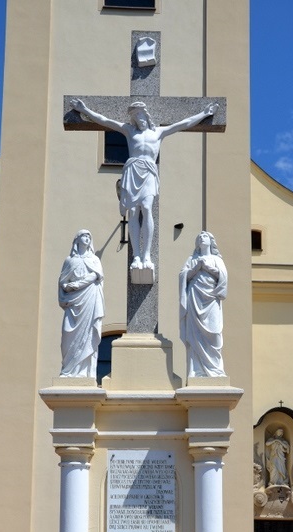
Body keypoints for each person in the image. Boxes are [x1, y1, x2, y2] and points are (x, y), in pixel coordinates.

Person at [69, 98, 218, 274]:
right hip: (133, 171)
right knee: (133, 212)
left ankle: (146, 255)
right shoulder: (129, 130)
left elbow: (184, 123)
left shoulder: (159, 132)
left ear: (146, 116)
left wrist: (204, 114)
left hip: (148, 172)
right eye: (135, 116)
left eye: (140, 115)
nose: (138, 119)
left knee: (147, 208)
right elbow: (105, 121)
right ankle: (136, 255)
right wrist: (84, 110)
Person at [179, 231, 227, 377]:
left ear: (211, 241)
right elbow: (183, 276)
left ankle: (216, 370)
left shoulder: (216, 259)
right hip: (195, 296)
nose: (201, 238)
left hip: (212, 298)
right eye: (199, 237)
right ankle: (196, 370)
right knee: (195, 334)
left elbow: (223, 276)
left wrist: (207, 268)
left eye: (205, 236)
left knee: (214, 332)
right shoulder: (192, 259)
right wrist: (196, 268)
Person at [58, 230, 104, 378]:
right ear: (77, 239)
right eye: (84, 235)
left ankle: (84, 372)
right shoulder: (69, 261)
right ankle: (68, 370)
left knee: (88, 333)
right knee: (67, 335)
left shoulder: (94, 260)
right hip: (72, 303)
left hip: (89, 300)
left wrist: (77, 284)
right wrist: (67, 287)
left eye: (89, 236)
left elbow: (96, 276)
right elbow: (63, 281)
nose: (87, 238)